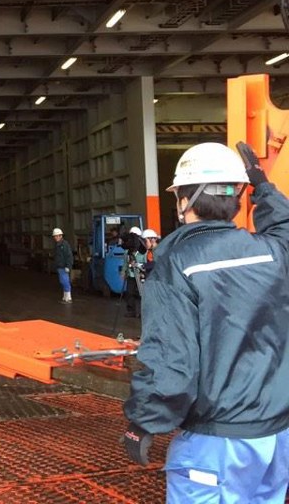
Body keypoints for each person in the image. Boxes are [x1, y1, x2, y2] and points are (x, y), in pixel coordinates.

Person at [122, 141, 289, 503]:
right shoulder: (274, 253)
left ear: (183, 201)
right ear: (238, 199)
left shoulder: (177, 264)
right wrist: (264, 187)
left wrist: (144, 421)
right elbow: (285, 226)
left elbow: (171, 360)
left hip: (217, 440)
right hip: (276, 437)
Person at [52, 227, 73, 303]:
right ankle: (65, 297)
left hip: (64, 266)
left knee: (65, 281)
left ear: (61, 236)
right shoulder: (58, 245)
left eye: (57, 236)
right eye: (55, 236)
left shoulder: (64, 244)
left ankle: (68, 298)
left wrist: (68, 266)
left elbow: (69, 256)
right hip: (60, 266)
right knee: (62, 281)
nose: (56, 237)